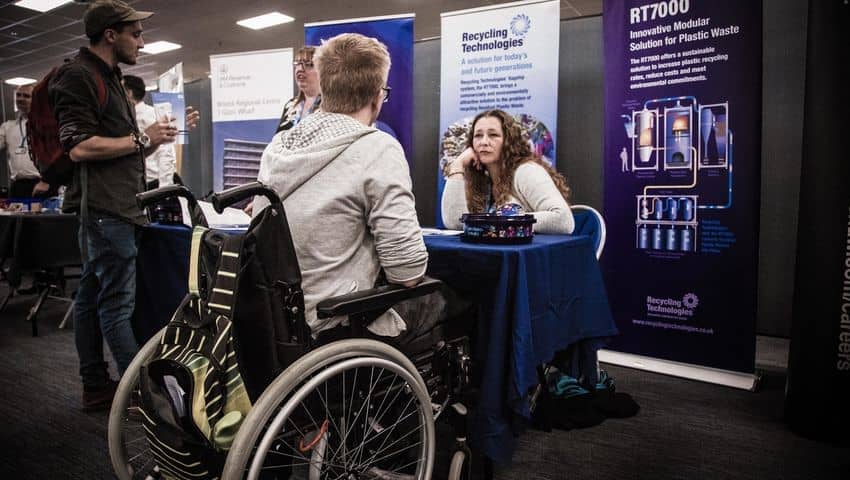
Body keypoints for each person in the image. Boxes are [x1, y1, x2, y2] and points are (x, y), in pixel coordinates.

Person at [253, 33, 432, 342]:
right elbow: (407, 271)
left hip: (274, 323)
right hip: (334, 323)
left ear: (325, 86)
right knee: (450, 301)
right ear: (378, 96)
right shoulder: (377, 148)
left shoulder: (278, 147)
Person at [48, 0, 180, 411]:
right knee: (116, 306)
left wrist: (148, 142)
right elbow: (80, 147)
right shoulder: (79, 75)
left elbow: (114, 149)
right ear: (111, 34)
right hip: (108, 213)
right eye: (135, 33)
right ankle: (142, 393)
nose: (141, 41)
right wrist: (142, 140)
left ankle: (95, 384)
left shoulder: (107, 75)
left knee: (90, 298)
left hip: (115, 208)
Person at [441, 109, 575, 234]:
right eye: (478, 135)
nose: (484, 142)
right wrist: (457, 166)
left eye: (493, 135)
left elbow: (563, 220)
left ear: (508, 141)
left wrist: (498, 222)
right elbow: (456, 224)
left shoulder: (527, 171)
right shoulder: (482, 180)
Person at [122, 74, 177, 188]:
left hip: (153, 183)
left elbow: (166, 151)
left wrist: (165, 187)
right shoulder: (125, 118)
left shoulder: (150, 115)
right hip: (135, 182)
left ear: (129, 93)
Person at [0, 84, 54, 198]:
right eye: (18, 95)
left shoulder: (47, 124)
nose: (20, 98)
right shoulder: (7, 127)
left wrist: (49, 180)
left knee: (42, 215)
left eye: (26, 96)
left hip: (42, 184)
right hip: (17, 186)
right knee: (16, 216)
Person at [275, 46, 321, 133]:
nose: (300, 69)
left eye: (308, 64)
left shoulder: (331, 106)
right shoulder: (290, 105)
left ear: (323, 71)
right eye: (297, 64)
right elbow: (277, 141)